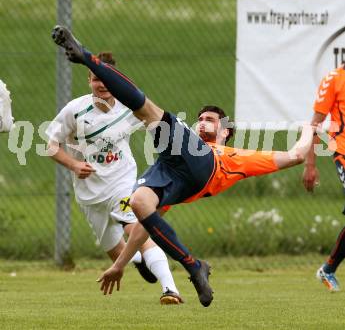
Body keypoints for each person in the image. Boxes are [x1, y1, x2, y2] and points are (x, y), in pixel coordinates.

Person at [51, 25, 314, 307]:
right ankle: (194, 266)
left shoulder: (235, 156)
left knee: (147, 110)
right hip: (174, 172)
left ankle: (86, 56)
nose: (203, 121)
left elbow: (295, 155)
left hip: (206, 165)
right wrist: (120, 265)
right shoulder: (181, 143)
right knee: (140, 204)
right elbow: (144, 229)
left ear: (226, 132)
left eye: (211, 120)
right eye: (201, 118)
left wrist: (310, 129)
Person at [46, 51, 183, 305]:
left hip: (123, 182)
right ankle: (140, 262)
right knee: (117, 252)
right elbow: (51, 146)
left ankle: (170, 290)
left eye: (107, 79)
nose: (103, 84)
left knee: (138, 229)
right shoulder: (75, 111)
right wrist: (75, 165)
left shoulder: (129, 105)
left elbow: (158, 122)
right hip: (89, 193)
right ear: (89, 81)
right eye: (97, 79)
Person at [303, 65, 345, 292]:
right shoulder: (334, 79)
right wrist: (310, 164)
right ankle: (328, 270)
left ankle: (328, 269)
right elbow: (315, 124)